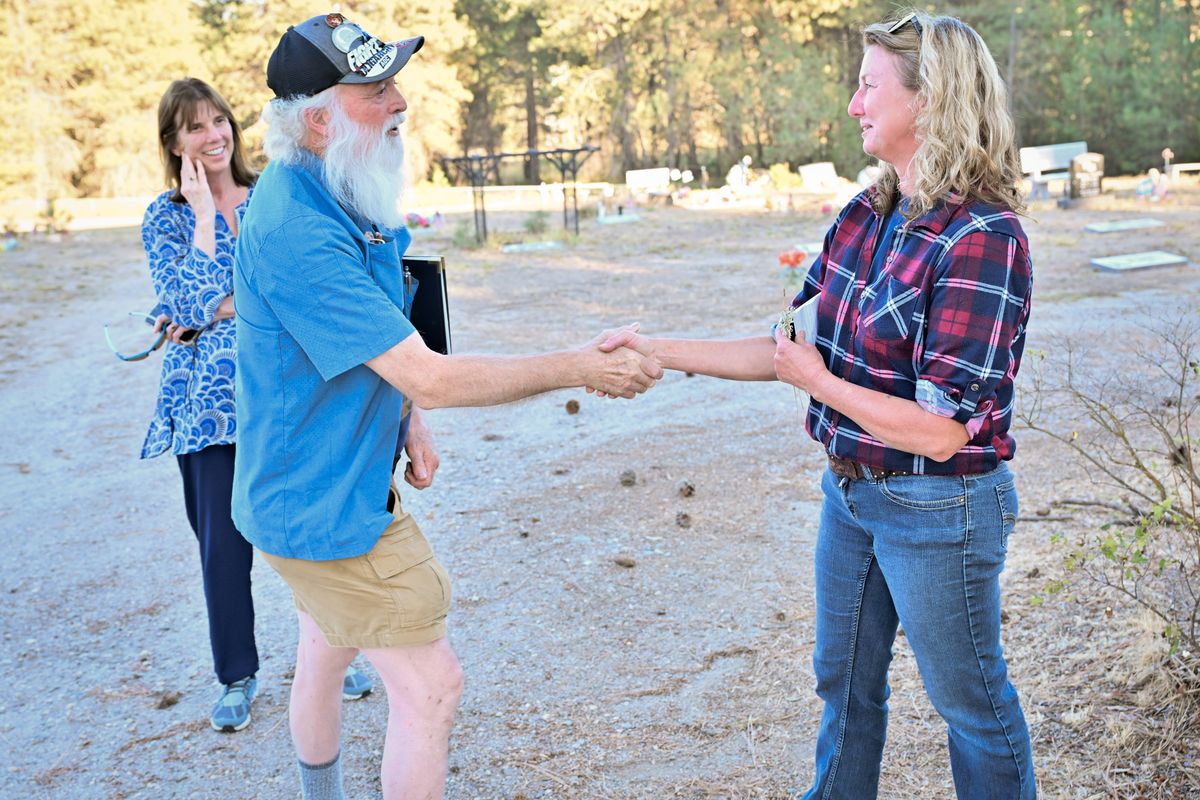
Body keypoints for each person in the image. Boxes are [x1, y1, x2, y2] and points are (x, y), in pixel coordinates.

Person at [601, 10, 1036, 799]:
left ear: (931, 100)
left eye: (869, 85)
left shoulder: (983, 237)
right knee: (842, 685)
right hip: (852, 494)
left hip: (940, 507)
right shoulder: (867, 215)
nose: (853, 104)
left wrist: (821, 385)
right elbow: (785, 351)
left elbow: (940, 432)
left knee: (969, 706)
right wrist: (653, 351)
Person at [232, 13, 660, 800]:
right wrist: (577, 368)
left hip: (319, 489)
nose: (400, 100)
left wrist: (404, 417)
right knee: (431, 687)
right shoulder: (295, 227)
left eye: (395, 80)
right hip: (320, 509)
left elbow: (388, 349)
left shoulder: (343, 188)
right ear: (319, 119)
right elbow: (426, 372)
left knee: (324, 648)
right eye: (376, 89)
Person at [139, 77, 373, 734]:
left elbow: (289, 287)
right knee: (223, 548)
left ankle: (336, 652)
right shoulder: (166, 216)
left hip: (288, 397)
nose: (213, 135)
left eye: (219, 121)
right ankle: (237, 675)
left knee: (309, 533)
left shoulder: (274, 192)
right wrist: (205, 217)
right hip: (208, 410)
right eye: (194, 127)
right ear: (174, 142)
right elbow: (186, 302)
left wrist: (221, 306)